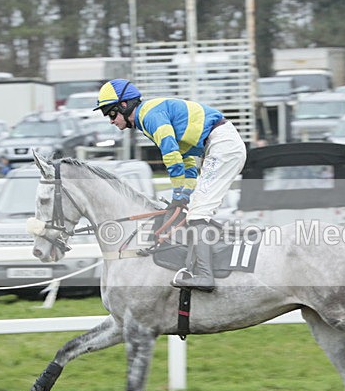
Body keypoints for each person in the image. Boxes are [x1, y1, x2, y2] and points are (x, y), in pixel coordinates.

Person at [94, 78, 247, 292]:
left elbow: (171, 154)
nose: (110, 120)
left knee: (197, 214)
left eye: (110, 113)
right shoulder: (149, 118)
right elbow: (188, 161)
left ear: (124, 105)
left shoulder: (149, 115)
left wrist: (177, 194)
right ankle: (199, 267)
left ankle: (204, 276)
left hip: (222, 146)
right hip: (219, 146)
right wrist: (185, 194)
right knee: (194, 209)